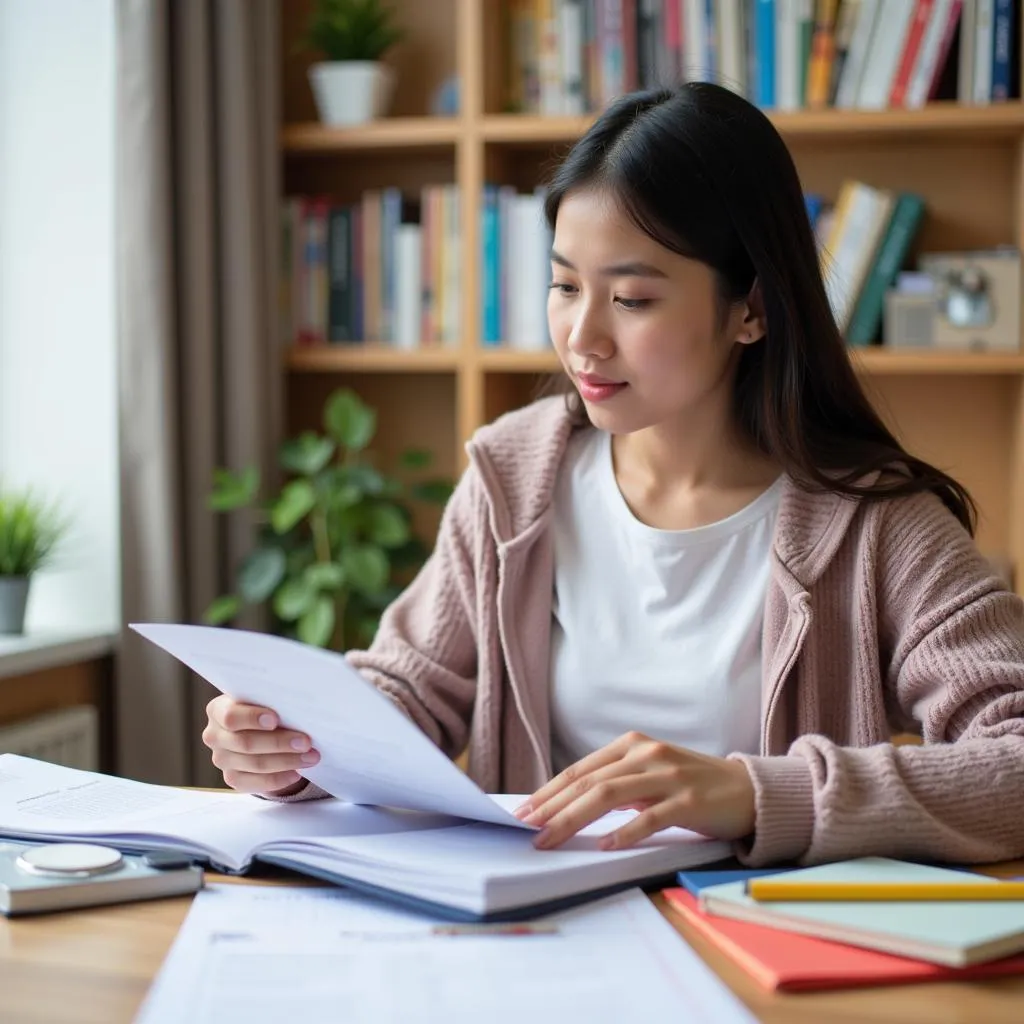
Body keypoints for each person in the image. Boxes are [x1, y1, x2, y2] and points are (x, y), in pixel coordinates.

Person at [203, 83, 1024, 867]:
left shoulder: (877, 521)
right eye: (564, 286)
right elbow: (409, 686)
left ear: (753, 310)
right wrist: (294, 748)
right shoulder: (514, 475)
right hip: (535, 928)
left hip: (759, 950)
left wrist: (753, 793)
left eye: (631, 299)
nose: (582, 338)